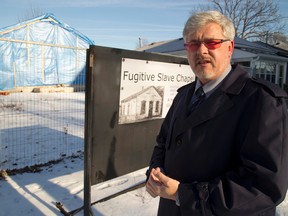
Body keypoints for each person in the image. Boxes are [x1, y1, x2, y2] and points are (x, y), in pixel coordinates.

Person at [145, 10, 288, 216]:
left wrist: (183, 195)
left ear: (229, 48)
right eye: (193, 43)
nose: (201, 51)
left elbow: (263, 187)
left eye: (211, 42)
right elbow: (163, 142)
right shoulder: (183, 96)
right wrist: (155, 172)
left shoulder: (262, 101)